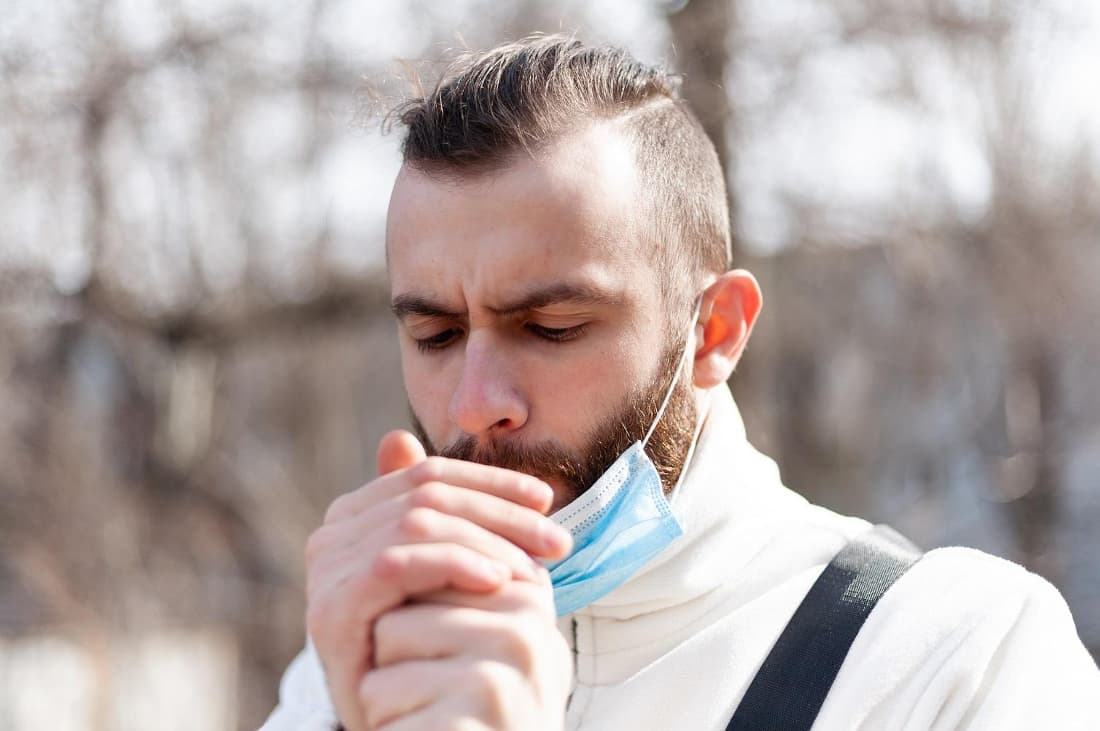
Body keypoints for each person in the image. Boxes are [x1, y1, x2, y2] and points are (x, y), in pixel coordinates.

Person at [262, 35, 1100, 731]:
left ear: (716, 330)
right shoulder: (350, 670)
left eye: (552, 327)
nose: (477, 402)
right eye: (436, 334)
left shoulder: (951, 658)